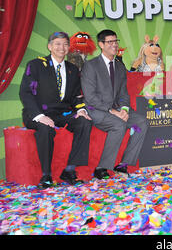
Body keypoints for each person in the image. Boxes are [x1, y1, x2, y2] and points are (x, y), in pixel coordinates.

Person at [19, 32, 92, 189]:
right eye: (57, 44)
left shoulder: (72, 69)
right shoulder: (36, 65)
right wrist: (39, 116)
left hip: (62, 114)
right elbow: (25, 93)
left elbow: (76, 96)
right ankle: (46, 175)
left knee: (84, 123)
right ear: (50, 46)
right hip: (37, 113)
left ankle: (70, 170)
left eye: (65, 44)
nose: (62, 47)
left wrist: (81, 110)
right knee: (45, 128)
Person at [81, 29, 149, 179]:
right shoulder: (90, 66)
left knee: (142, 122)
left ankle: (123, 164)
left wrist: (124, 109)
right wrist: (114, 111)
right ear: (101, 44)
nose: (114, 45)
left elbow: (123, 93)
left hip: (117, 109)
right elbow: (90, 97)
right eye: (109, 42)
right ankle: (101, 168)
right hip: (97, 110)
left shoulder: (119, 67)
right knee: (118, 124)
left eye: (115, 41)